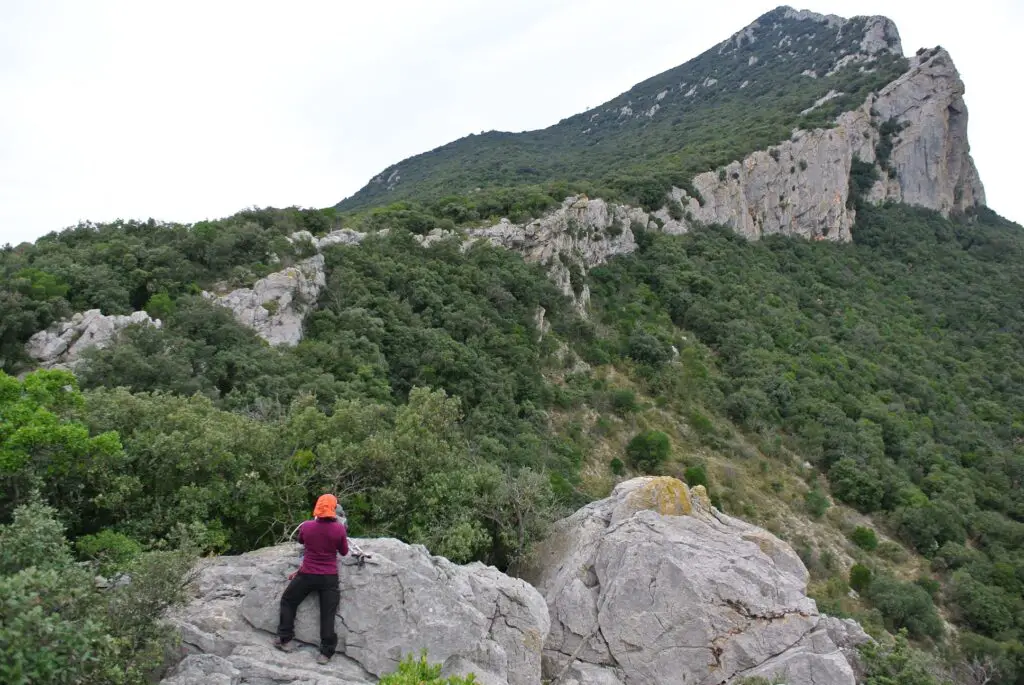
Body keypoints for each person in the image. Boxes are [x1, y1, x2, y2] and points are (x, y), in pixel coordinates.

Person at [274, 493, 349, 665]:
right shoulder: (339, 529)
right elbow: (344, 552)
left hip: (307, 574)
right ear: (333, 509)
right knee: (327, 615)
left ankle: (284, 638)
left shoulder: (307, 526)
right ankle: (325, 653)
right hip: (329, 578)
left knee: (288, 600)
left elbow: (301, 540)